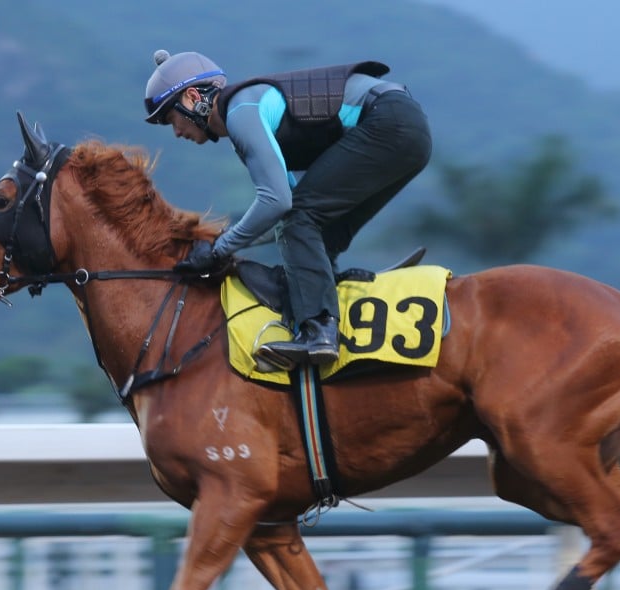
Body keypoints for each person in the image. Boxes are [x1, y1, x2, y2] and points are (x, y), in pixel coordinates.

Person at [143, 50, 432, 367]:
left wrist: (219, 249)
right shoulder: (249, 119)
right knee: (313, 226)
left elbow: (279, 203)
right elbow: (281, 211)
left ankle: (319, 330)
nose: (177, 133)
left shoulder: (242, 113)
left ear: (192, 97)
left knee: (302, 219)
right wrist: (218, 243)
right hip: (407, 128)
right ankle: (328, 289)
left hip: (389, 122)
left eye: (171, 119)